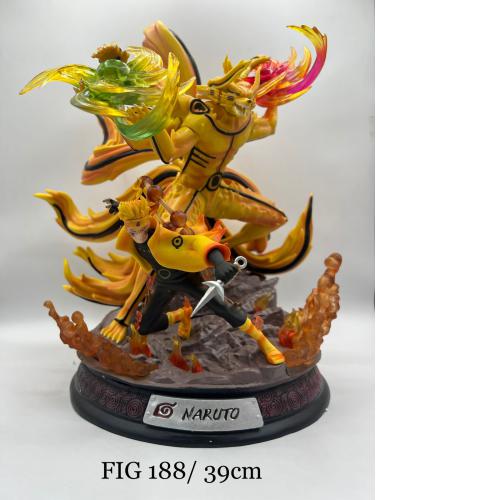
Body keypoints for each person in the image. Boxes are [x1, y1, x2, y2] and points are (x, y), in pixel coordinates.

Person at [102, 197, 284, 365]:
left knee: (224, 308)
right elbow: (135, 212)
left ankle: (264, 342)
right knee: (145, 326)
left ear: (147, 222)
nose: (137, 235)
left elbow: (197, 242)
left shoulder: (166, 237)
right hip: (163, 282)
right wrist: (120, 207)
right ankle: (181, 314)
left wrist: (219, 262)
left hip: (187, 278)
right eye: (132, 231)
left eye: (140, 229)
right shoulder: (131, 238)